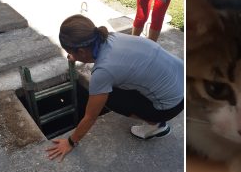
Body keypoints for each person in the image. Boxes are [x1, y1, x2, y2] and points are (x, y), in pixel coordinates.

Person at [46, 14, 183, 162]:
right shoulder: (111, 37)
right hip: (184, 84)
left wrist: (70, 142)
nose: (69, 55)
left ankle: (156, 125)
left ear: (81, 51)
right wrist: (77, 56)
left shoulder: (103, 72)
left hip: (171, 106)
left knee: (109, 97)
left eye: (70, 52)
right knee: (114, 84)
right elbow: (103, 58)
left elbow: (90, 117)